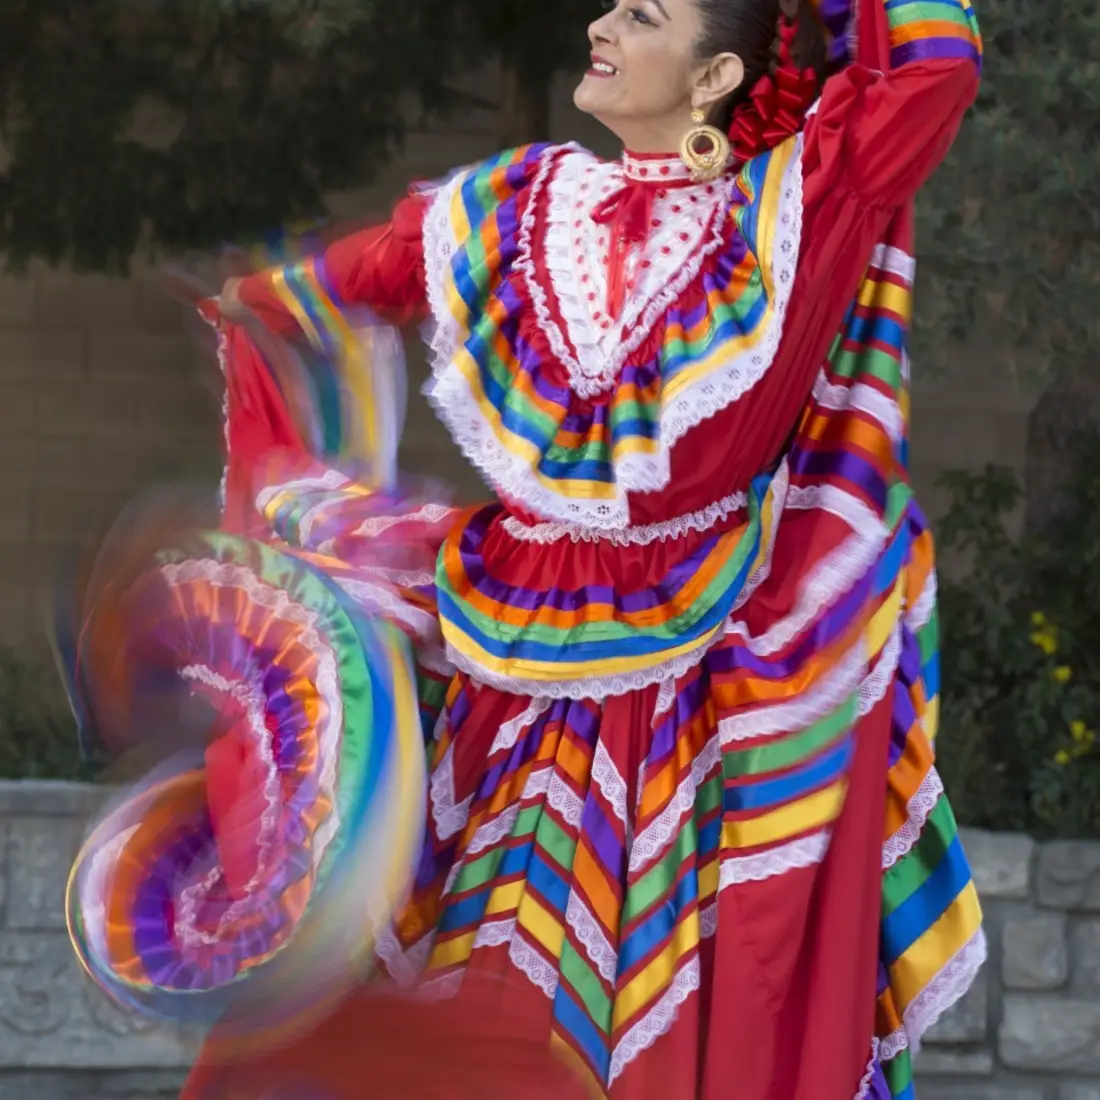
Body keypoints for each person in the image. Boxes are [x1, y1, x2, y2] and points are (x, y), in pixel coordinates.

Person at [100, 0, 989, 1097]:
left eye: (644, 13)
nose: (604, 20)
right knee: (461, 964)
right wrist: (265, 303)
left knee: (676, 1006)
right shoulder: (522, 204)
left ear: (712, 75)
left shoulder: (797, 205)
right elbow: (381, 264)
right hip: (499, 668)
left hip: (698, 682)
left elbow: (932, 71)